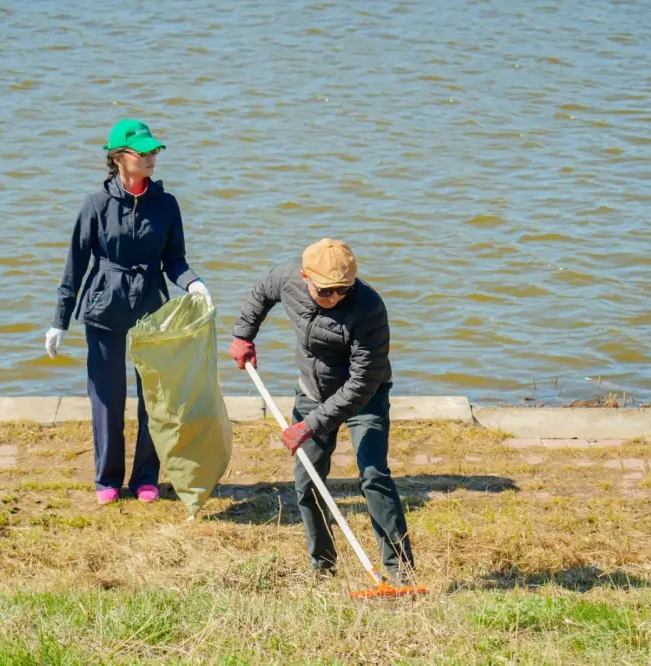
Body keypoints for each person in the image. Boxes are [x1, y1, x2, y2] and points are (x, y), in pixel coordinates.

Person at [45, 119, 211, 505]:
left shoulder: (167, 205)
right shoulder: (95, 205)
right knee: (107, 397)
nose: (152, 158)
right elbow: (75, 265)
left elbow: (174, 260)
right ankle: (107, 477)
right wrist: (59, 320)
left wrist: (194, 284)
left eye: (155, 152)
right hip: (103, 307)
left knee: (153, 397)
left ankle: (146, 476)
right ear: (118, 158)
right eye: (143, 153)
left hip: (151, 309)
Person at [228, 238, 414, 581]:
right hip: (312, 392)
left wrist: (309, 425)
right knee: (307, 483)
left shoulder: (369, 308)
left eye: (343, 290)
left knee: (374, 475)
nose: (336, 298)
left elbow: (362, 383)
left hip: (365, 398)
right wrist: (244, 335)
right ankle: (323, 567)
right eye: (327, 291)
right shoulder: (288, 280)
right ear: (304, 277)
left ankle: (400, 570)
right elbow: (261, 292)